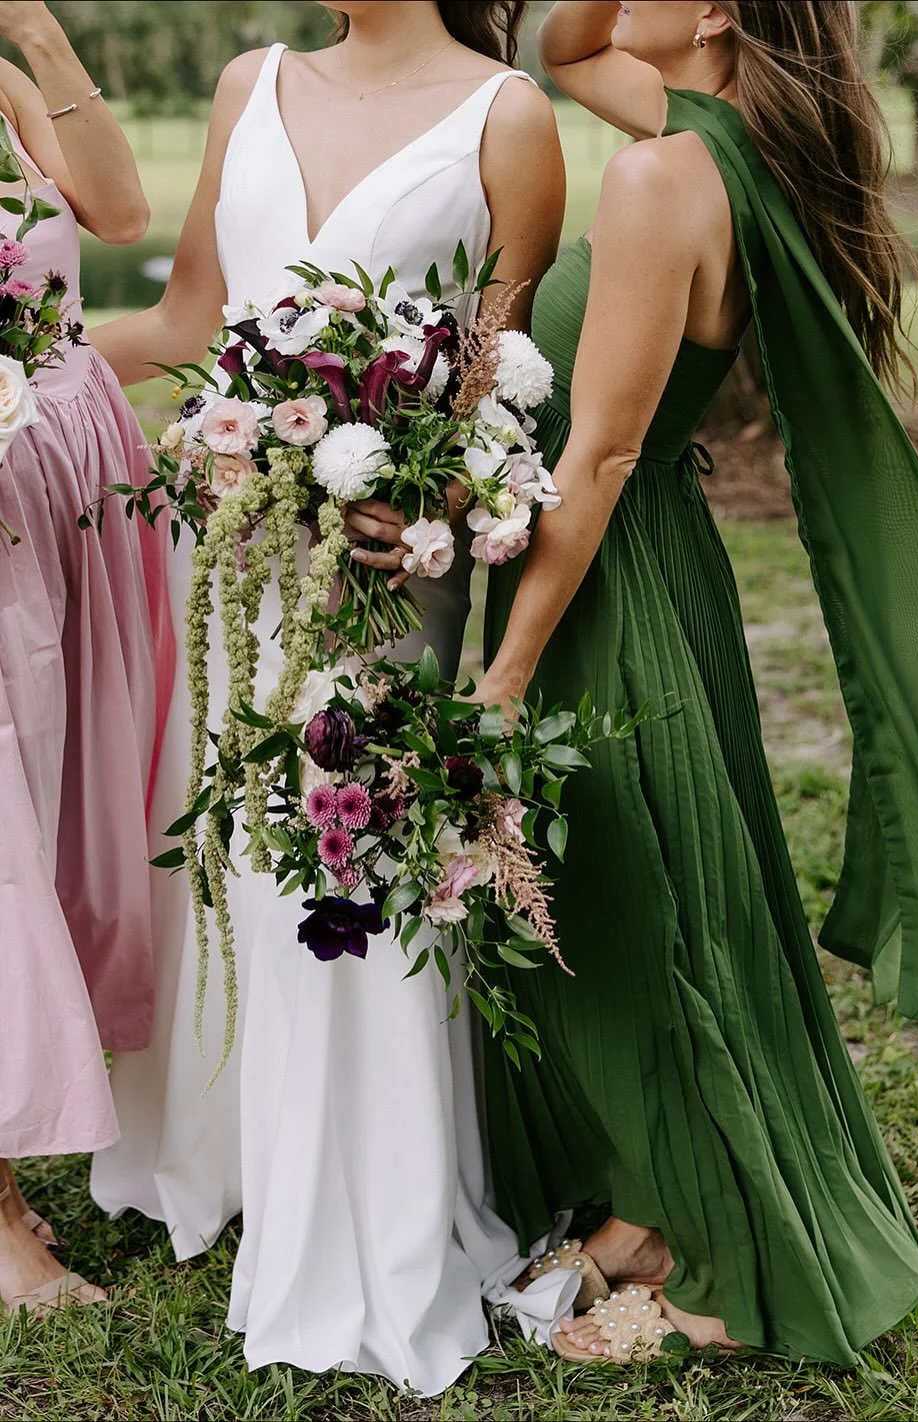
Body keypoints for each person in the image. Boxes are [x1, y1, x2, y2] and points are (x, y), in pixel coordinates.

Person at [473, 0, 918, 1364]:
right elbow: (564, 48)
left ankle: (709, 1249)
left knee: (642, 902)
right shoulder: (714, 137)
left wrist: (503, 673)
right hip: (658, 559)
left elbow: (593, 457)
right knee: (636, 894)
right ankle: (652, 1205)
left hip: (613, 578)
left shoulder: (666, 176)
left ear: (716, 14)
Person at [90, 0, 568, 1392]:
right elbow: (193, 316)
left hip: (379, 565)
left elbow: (491, 379)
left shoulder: (509, 117)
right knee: (234, 843)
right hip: (235, 544)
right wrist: (41, 358)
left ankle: (363, 1206)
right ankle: (238, 1149)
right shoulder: (253, 79)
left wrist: (431, 491)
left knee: (344, 852)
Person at [0, 0, 172, 1314]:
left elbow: (118, 213)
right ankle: (1, 1215)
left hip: (74, 491)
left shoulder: (8, 83)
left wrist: (39, 37)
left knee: (64, 818)